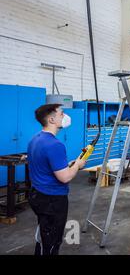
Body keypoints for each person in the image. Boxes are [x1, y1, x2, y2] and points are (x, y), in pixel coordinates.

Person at [27, 104, 86, 255]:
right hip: (52, 200)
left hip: (37, 195)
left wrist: (67, 165)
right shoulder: (55, 144)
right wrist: (77, 165)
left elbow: (45, 166)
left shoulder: (35, 139)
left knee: (43, 235)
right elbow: (65, 177)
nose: (65, 117)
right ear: (52, 119)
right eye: (62, 114)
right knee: (53, 240)